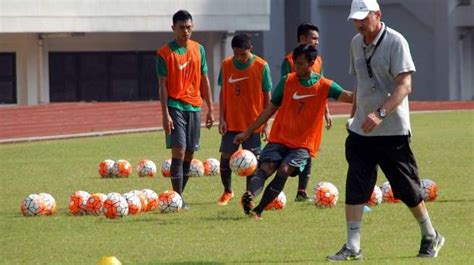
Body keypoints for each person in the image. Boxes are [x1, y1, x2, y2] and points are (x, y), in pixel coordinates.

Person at [327, 0, 445, 261]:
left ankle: (430, 234)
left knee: (407, 189)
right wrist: (353, 118)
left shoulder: (396, 41)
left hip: (392, 130)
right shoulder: (356, 43)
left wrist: (380, 114)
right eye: (355, 19)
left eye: (363, 17)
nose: (359, 23)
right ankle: (353, 246)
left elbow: (404, 85)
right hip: (361, 131)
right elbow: (359, 81)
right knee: (355, 187)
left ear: (377, 14)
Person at [234, 44, 353, 219]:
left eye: (301, 64)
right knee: (266, 167)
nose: (297, 68)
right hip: (279, 138)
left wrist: (373, 96)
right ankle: (249, 197)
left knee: (284, 170)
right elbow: (269, 109)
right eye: (296, 64)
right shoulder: (287, 81)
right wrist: (248, 132)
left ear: (312, 62)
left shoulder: (324, 85)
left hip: (303, 145)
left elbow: (349, 97)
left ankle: (258, 211)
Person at [156, 10, 214, 207]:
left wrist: (211, 108)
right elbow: (162, 85)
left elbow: (204, 79)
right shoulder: (164, 53)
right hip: (175, 105)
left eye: (189, 27)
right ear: (174, 28)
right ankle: (177, 199)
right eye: (181, 28)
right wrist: (165, 115)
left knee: (190, 153)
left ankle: (177, 196)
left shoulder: (200, 49)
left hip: (195, 107)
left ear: (193, 27)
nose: (186, 31)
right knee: (179, 152)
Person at [216, 33, 272, 206]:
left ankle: (247, 198)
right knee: (225, 158)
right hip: (231, 122)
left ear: (250, 49)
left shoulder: (262, 66)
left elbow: (268, 97)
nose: (239, 58)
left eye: (243, 54)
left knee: (251, 162)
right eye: (236, 54)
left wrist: (266, 124)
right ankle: (227, 191)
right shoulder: (226, 65)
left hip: (253, 125)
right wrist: (221, 118)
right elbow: (223, 92)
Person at [281, 23, 333, 202]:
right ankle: (276, 186)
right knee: (293, 150)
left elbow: (322, 85)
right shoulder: (288, 61)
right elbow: (284, 89)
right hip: (294, 115)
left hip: (312, 115)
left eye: (318, 39)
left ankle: (301, 192)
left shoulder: (317, 59)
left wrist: (326, 110)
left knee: (309, 149)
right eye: (313, 38)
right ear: (302, 39)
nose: (317, 42)